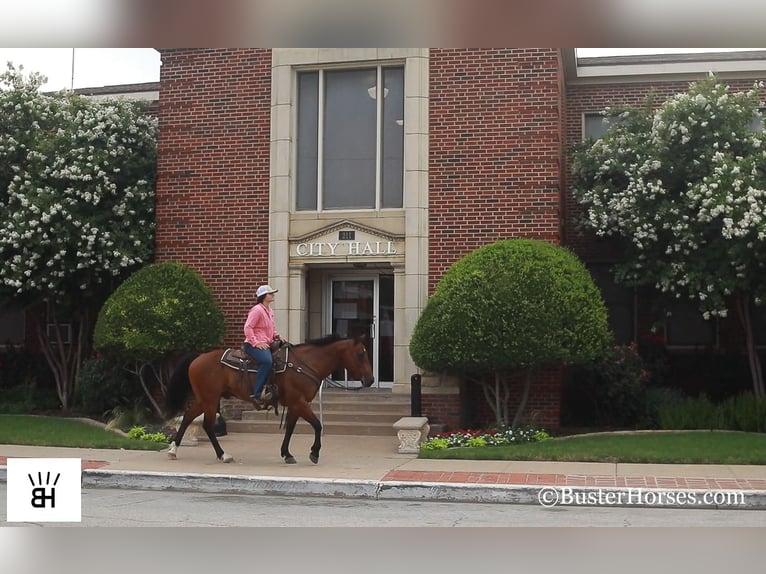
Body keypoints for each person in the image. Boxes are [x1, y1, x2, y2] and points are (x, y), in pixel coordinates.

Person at [243, 284, 281, 410]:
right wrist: (255, 343)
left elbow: (271, 328)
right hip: (253, 345)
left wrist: (278, 336)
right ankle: (257, 394)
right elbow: (248, 327)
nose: (273, 295)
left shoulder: (270, 311)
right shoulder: (257, 310)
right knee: (266, 361)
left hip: (266, 342)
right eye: (270, 293)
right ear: (263, 296)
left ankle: (271, 389)